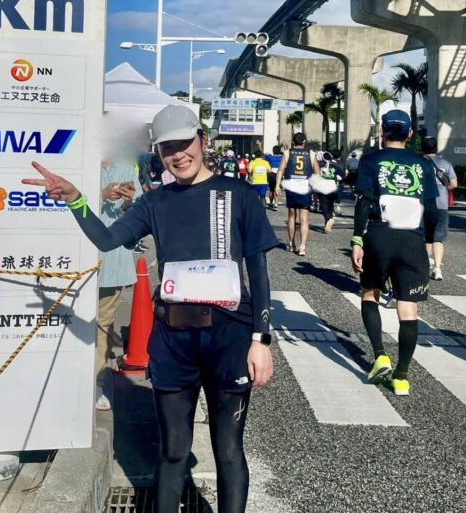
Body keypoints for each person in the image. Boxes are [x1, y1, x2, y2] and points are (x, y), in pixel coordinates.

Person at [22, 105, 277, 513]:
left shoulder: (240, 195)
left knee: (228, 449)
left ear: (203, 141)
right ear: (158, 153)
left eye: (184, 143)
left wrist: (260, 339)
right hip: (174, 341)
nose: (178, 154)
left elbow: (259, 273)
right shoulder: (154, 202)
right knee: (173, 450)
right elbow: (107, 240)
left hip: (230, 337)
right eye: (167, 148)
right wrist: (75, 200)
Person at [351, 109, 438, 397]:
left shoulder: (371, 161)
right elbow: (432, 209)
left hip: (379, 234)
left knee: (369, 293)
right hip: (412, 238)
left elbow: (364, 202)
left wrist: (357, 240)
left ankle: (379, 356)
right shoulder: (422, 164)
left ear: (382, 131)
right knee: (408, 307)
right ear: (410, 134)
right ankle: (402, 376)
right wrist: (426, 240)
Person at [95, 157, 140, 410]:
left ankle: (97, 382)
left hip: (112, 261)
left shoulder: (124, 167)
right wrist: (101, 194)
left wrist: (128, 200)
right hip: (74, 257)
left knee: (103, 323)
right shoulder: (76, 159)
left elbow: (137, 213)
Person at [274, 132, 320, 256]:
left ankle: (291, 243)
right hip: (305, 186)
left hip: (291, 185)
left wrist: (277, 185)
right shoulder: (311, 153)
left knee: (291, 216)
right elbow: (317, 171)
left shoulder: (288, 153)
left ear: (293, 142)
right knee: (304, 218)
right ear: (304, 141)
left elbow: (280, 170)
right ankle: (303, 246)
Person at [421, 137, 457, 281]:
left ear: (422, 148)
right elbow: (454, 184)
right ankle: (437, 269)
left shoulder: (419, 163)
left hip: (423, 204)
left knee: (425, 238)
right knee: (438, 238)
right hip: (441, 205)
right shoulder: (445, 164)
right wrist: (442, 187)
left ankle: (423, 266)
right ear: (436, 148)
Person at [315, 151, 343, 233]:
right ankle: (327, 223)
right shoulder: (335, 166)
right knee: (330, 206)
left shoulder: (319, 166)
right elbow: (343, 176)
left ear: (323, 158)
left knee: (324, 206)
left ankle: (328, 220)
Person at [265, 145, 283, 210]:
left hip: (271, 175)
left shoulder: (270, 157)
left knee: (271, 190)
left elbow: (262, 154)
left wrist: (260, 146)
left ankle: (270, 203)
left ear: (273, 151)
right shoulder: (282, 157)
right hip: (279, 174)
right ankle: (276, 204)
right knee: (277, 188)